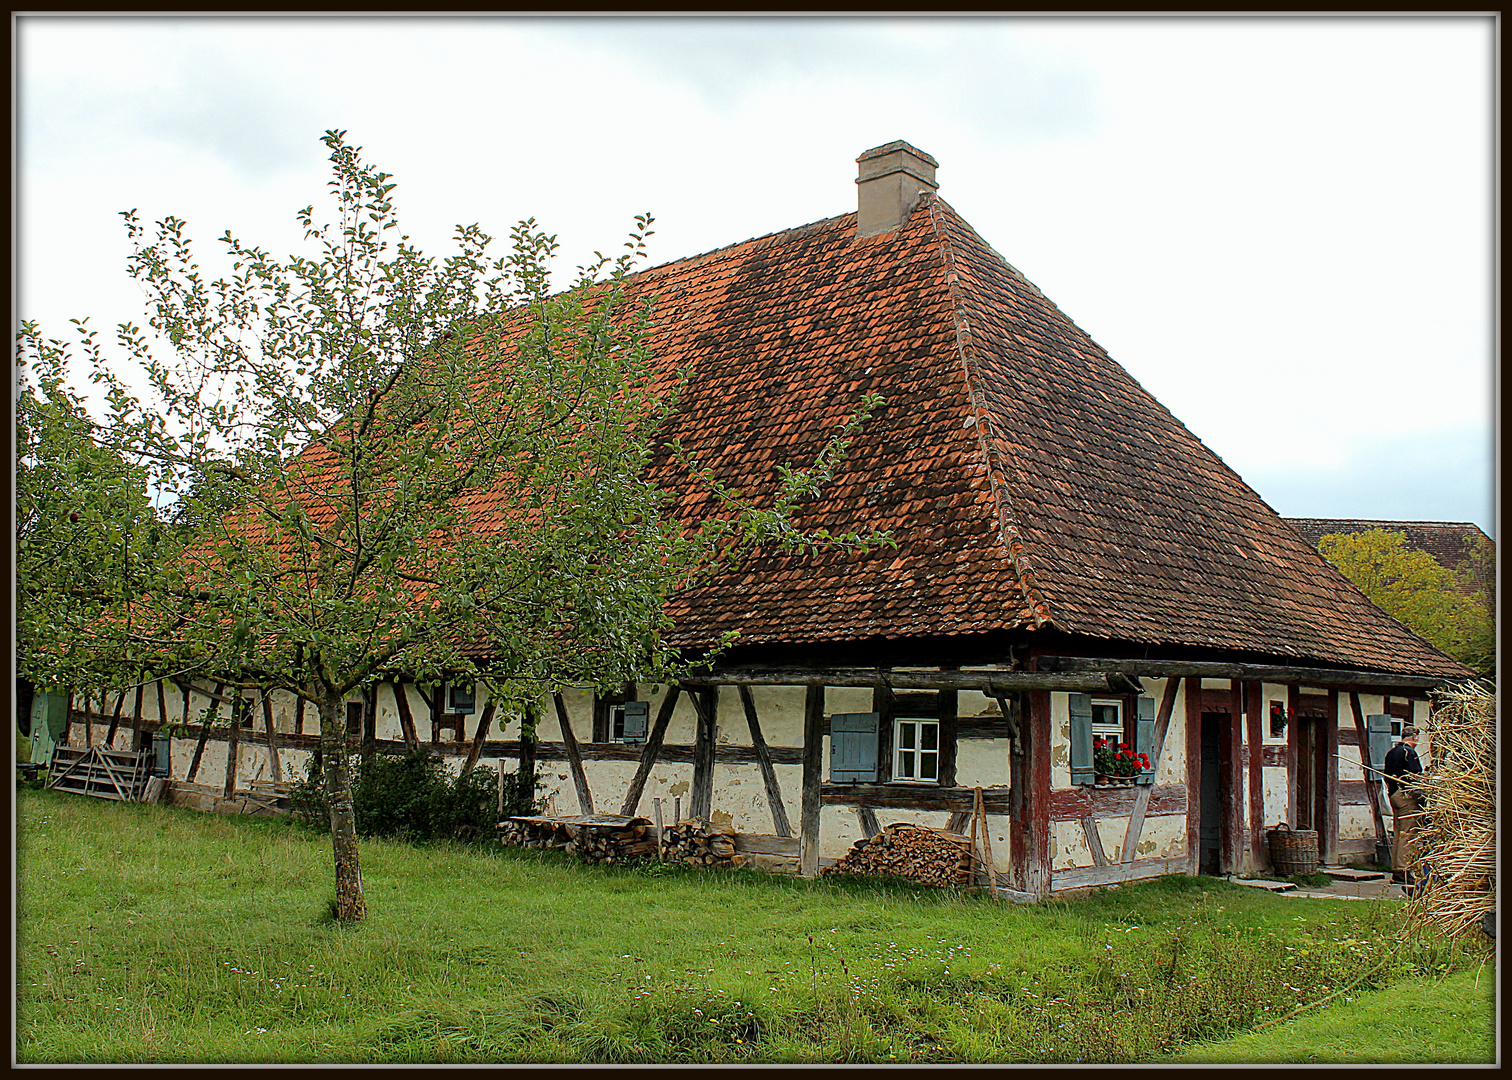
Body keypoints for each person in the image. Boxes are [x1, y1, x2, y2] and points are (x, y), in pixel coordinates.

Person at [1383, 726, 1424, 885]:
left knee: (1399, 832)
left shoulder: (1391, 752)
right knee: (1408, 833)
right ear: (1414, 737)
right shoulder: (1409, 753)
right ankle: (1403, 870)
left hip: (1393, 794)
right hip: (1406, 796)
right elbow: (1414, 777)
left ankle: (1396, 869)